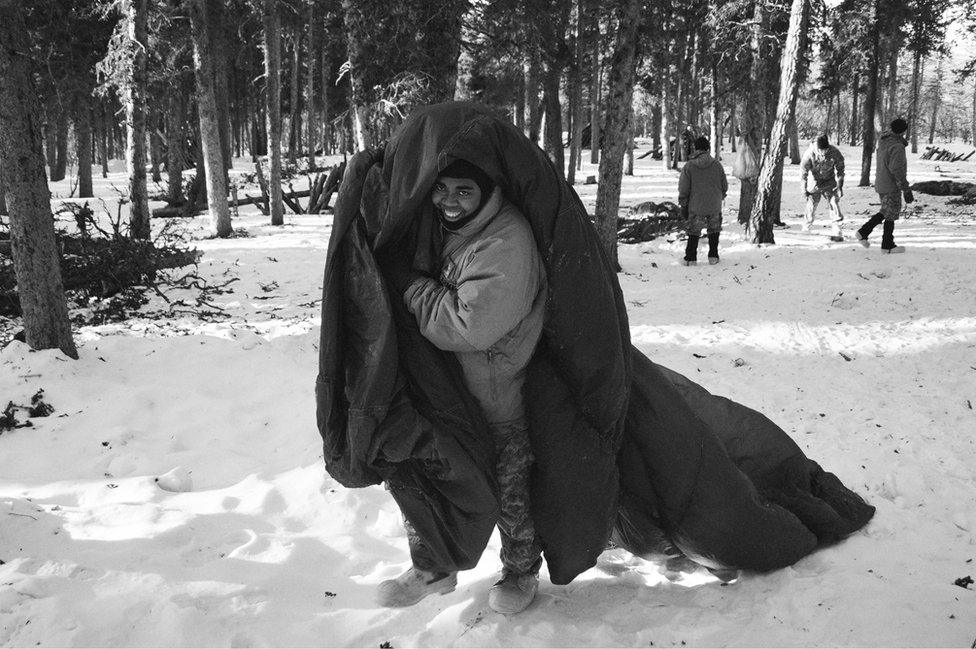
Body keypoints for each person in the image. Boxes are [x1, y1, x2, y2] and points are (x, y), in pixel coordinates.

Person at [380, 159, 547, 614]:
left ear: (487, 192)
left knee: (510, 489)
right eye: (441, 188)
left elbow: (467, 327)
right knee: (425, 472)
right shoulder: (451, 225)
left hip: (497, 394)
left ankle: (519, 571)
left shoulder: (505, 241)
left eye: (464, 191)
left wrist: (412, 288)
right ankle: (435, 565)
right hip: (450, 389)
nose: (449, 200)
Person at [857, 118, 914, 253]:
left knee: (886, 211)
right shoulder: (897, 146)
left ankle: (864, 233)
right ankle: (887, 245)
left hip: (881, 182)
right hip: (890, 185)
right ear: (903, 131)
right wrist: (906, 189)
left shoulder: (883, 140)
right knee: (891, 213)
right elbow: (897, 170)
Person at [678, 136, 728, 266]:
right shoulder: (717, 164)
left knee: (693, 231)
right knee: (714, 230)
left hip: (696, 204)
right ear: (708, 148)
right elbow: (724, 185)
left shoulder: (689, 166)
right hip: (714, 204)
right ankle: (713, 256)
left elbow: (684, 187)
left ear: (695, 148)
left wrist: (683, 201)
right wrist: (720, 195)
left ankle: (690, 258)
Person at [800, 134, 846, 241]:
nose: (824, 152)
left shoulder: (834, 152)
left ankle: (836, 227)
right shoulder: (809, 153)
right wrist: (804, 189)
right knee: (811, 204)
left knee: (833, 201)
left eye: (825, 150)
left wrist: (840, 186)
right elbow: (803, 173)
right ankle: (806, 227)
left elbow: (840, 169)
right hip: (814, 181)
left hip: (829, 181)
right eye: (822, 150)